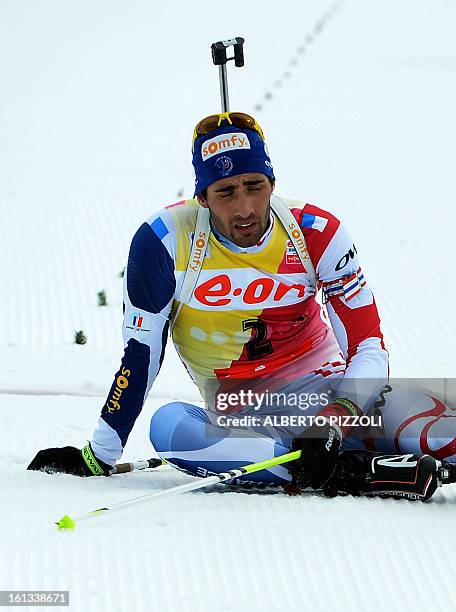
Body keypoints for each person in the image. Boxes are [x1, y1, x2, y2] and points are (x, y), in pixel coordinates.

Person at [28, 112, 456, 497]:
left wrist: (334, 418)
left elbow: (369, 347)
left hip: (333, 400)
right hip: (243, 421)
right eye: (225, 192)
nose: (245, 208)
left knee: (440, 422)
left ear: (273, 183)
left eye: (255, 187)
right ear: (201, 197)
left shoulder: (317, 232)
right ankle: (354, 473)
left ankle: (336, 461)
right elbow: (141, 356)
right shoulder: (162, 241)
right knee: (170, 427)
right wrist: (98, 455)